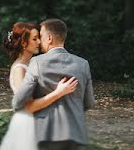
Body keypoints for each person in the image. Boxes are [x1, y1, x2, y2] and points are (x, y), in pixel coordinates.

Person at [11, 18, 95, 150]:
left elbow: (18, 102)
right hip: (76, 135)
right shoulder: (83, 64)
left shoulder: (37, 62)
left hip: (46, 135)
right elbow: (89, 102)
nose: (39, 41)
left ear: (49, 38)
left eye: (41, 36)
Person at [0, 22, 79, 150]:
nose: (40, 42)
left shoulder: (33, 63)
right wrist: (59, 92)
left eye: (39, 38)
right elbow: (28, 107)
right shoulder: (20, 69)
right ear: (24, 43)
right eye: (34, 39)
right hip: (27, 125)